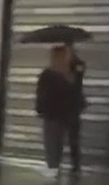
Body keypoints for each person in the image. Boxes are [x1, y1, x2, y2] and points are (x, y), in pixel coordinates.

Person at [36, 45, 82, 176]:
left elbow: (42, 93)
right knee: (58, 140)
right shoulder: (70, 75)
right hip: (64, 113)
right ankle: (56, 166)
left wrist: (40, 108)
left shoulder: (49, 74)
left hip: (51, 113)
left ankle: (52, 167)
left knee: (51, 140)